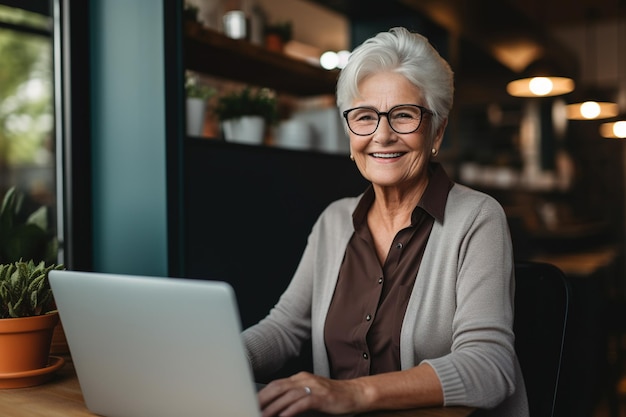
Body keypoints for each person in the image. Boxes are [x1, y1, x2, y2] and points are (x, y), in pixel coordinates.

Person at [242, 27, 528, 417]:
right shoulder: (333, 221)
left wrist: (354, 394)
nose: (382, 135)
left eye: (404, 116)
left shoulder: (478, 218)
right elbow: (285, 327)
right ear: (349, 132)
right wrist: (221, 358)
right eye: (364, 117)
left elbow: (489, 367)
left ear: (437, 132)